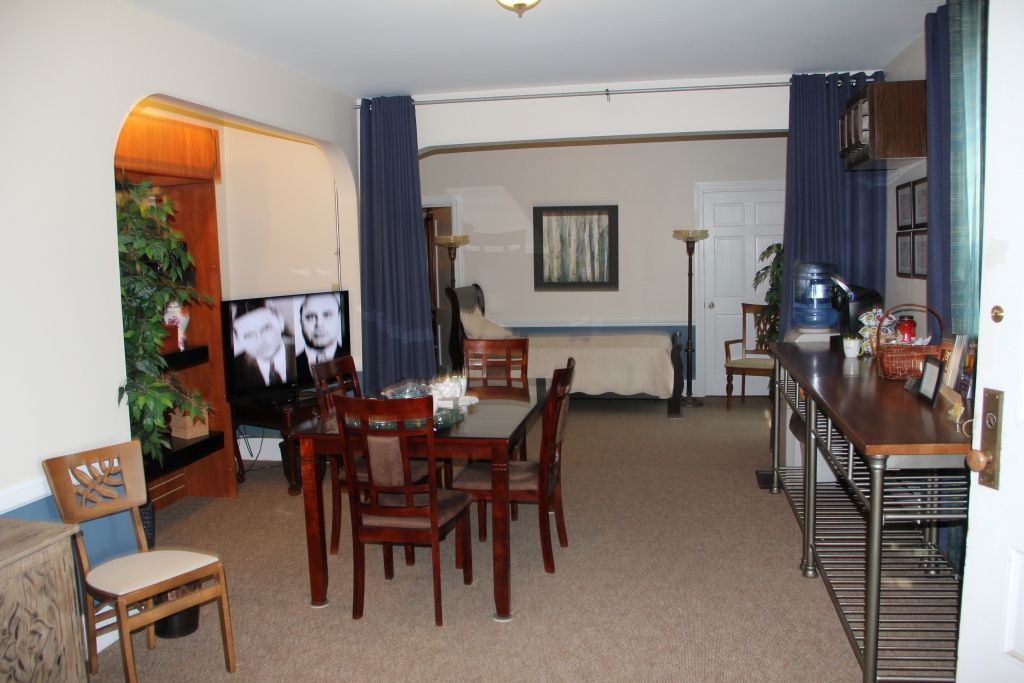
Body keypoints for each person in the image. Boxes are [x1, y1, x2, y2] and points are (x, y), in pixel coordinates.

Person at [231, 299, 296, 390]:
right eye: (249, 335)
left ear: (280, 322)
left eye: (266, 329)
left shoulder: (304, 353)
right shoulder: (234, 371)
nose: (260, 341)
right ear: (238, 339)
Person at [295, 292, 346, 384]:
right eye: (310, 317)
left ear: (339, 319)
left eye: (327, 315)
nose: (319, 324)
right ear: (300, 322)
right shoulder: (291, 367)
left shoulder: (349, 361)